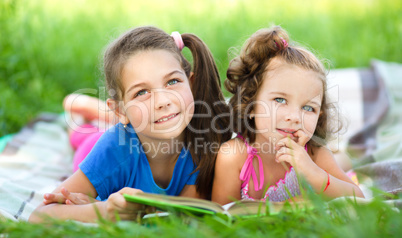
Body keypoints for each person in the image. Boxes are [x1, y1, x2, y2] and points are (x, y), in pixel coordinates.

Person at [29, 26, 231, 222]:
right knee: (82, 135)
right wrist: (100, 210)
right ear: (119, 110)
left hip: (133, 128)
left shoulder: (207, 140)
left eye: (172, 82)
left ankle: (91, 109)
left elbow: (182, 215)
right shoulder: (112, 151)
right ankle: (81, 110)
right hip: (95, 145)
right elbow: (38, 216)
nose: (163, 101)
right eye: (141, 92)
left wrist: (94, 206)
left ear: (191, 84)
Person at [211, 26, 364, 205]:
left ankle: (344, 156)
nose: (294, 117)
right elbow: (222, 215)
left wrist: (312, 172)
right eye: (280, 100)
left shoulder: (314, 154)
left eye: (308, 108)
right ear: (250, 103)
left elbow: (358, 198)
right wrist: (285, 208)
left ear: (319, 114)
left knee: (342, 161)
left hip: (325, 161)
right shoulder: (233, 157)